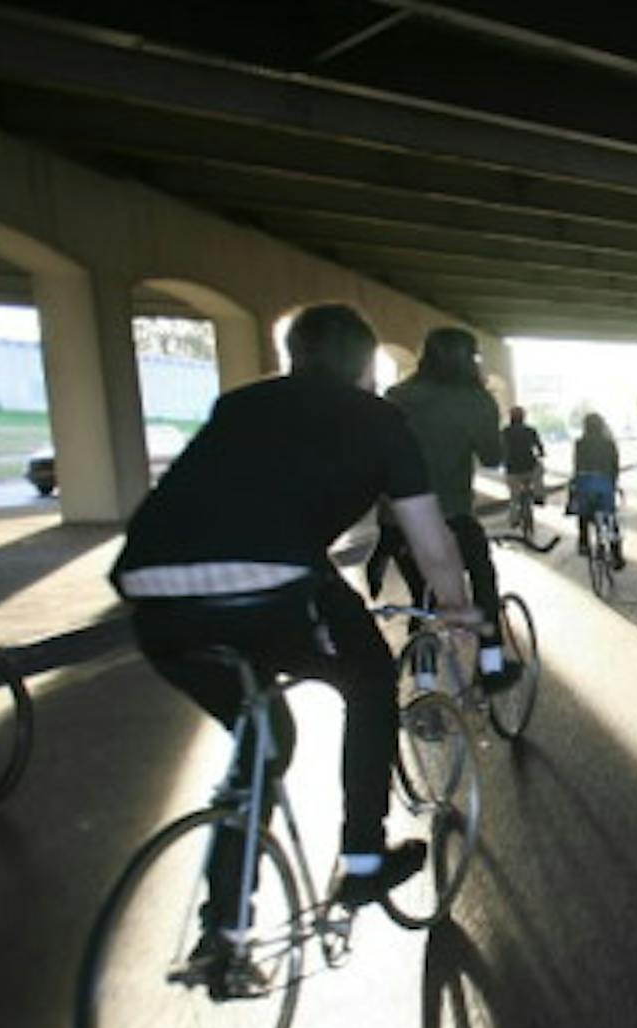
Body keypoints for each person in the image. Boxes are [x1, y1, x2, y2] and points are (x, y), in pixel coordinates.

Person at [111, 303, 477, 959]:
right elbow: (431, 542)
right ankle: (364, 858)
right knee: (368, 678)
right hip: (272, 582)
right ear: (367, 366)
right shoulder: (381, 420)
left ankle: (224, 927)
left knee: (263, 740)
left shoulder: (237, 405)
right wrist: (457, 609)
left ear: (294, 357)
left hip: (152, 591)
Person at [384, 328, 518, 687]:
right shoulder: (475, 400)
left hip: (395, 520)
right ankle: (491, 665)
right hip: (451, 515)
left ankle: (424, 687)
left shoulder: (396, 396)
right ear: (469, 359)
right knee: (483, 581)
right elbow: (492, 458)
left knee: (421, 600)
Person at [569, 412, 623, 567]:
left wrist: (576, 482)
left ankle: (583, 542)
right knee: (610, 518)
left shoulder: (579, 443)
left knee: (583, 512)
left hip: (585, 482)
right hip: (605, 483)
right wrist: (613, 483)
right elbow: (615, 466)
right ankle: (616, 554)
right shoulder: (609, 443)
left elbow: (577, 465)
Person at [502, 404, 545, 509]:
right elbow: (539, 446)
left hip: (512, 469)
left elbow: (500, 448)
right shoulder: (530, 430)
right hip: (530, 467)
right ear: (523, 417)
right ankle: (539, 495)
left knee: (514, 496)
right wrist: (542, 453)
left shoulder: (504, 432)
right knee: (540, 470)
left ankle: (513, 518)